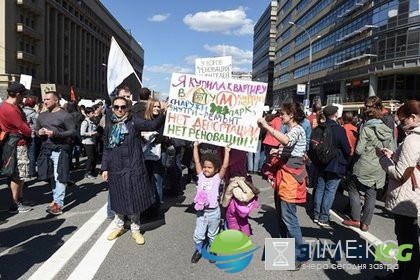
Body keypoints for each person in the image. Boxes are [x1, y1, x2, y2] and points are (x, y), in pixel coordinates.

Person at [102, 97, 165, 245]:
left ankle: (135, 229)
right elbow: (106, 148)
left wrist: (163, 112)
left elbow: (152, 125)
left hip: (134, 167)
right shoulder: (109, 125)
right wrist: (104, 167)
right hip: (116, 167)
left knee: (134, 198)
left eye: (122, 107)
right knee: (118, 197)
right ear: (112, 108)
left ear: (127, 107)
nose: (119, 110)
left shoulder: (134, 121)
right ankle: (119, 226)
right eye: (116, 107)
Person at [258, 102, 307, 270]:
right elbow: (290, 148)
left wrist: (266, 126)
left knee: (289, 217)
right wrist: (278, 152)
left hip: (291, 178)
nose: (281, 117)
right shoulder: (291, 129)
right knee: (281, 214)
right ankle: (284, 249)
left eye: (283, 114)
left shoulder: (297, 130)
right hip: (284, 176)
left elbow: (287, 141)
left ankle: (299, 255)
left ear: (291, 115)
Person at [375, 100, 420, 280]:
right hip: (412, 192)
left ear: (413, 117)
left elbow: (401, 173)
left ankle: (404, 275)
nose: (400, 125)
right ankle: (401, 273)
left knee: (406, 240)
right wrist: (393, 155)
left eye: (402, 121)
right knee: (406, 238)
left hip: (406, 194)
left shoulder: (412, 139)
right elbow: (411, 164)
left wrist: (383, 160)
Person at [343, 97, 393, 231]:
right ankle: (365, 223)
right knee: (371, 193)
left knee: (353, 187)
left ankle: (356, 219)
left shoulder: (366, 128)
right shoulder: (388, 129)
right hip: (379, 165)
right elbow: (391, 148)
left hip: (365, 163)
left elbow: (359, 149)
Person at [36, 90, 77, 215]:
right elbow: (36, 130)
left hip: (60, 149)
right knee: (51, 176)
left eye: (48, 99)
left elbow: (73, 132)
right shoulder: (42, 115)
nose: (45, 101)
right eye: (44, 99)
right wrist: (40, 133)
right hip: (46, 150)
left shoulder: (65, 115)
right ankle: (56, 199)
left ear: (56, 100)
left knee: (60, 176)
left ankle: (58, 204)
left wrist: (56, 134)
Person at [191, 141, 230, 263]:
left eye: (209, 167)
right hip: (202, 212)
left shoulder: (217, 178)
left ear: (216, 169)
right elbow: (197, 161)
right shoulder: (201, 176)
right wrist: (195, 146)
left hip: (214, 212)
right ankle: (198, 250)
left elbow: (224, 166)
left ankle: (213, 249)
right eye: (205, 167)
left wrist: (226, 151)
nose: (206, 169)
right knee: (199, 233)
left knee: (213, 233)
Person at [312, 105, 351, 227]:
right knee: (330, 190)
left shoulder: (320, 127)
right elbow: (347, 149)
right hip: (335, 163)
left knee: (319, 188)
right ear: (335, 114)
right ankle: (323, 217)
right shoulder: (339, 129)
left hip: (320, 162)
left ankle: (316, 214)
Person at [0, 83, 32, 213]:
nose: (24, 97)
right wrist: (28, 129)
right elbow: (25, 128)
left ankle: (19, 199)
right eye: (23, 94)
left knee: (19, 174)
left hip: (14, 142)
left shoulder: (6, 106)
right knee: (17, 174)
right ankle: (15, 203)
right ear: (18, 94)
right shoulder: (11, 109)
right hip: (16, 144)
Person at [143, 98, 166, 204]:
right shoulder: (144, 119)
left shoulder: (164, 119)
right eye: (154, 106)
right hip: (146, 154)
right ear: (149, 107)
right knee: (146, 180)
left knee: (157, 180)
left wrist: (152, 137)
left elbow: (163, 137)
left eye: (158, 106)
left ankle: (157, 205)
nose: (156, 108)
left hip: (160, 154)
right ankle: (147, 205)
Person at [22, 96, 39, 178]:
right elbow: (36, 126)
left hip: (21, 135)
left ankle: (22, 171)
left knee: (22, 154)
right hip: (31, 135)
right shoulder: (34, 114)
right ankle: (32, 171)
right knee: (31, 154)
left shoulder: (20, 111)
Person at [80, 107, 97, 179]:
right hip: (87, 142)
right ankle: (87, 173)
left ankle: (92, 171)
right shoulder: (85, 122)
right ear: (87, 114)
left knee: (94, 158)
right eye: (92, 113)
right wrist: (91, 133)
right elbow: (82, 133)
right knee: (90, 158)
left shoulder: (91, 121)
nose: (94, 114)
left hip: (92, 142)